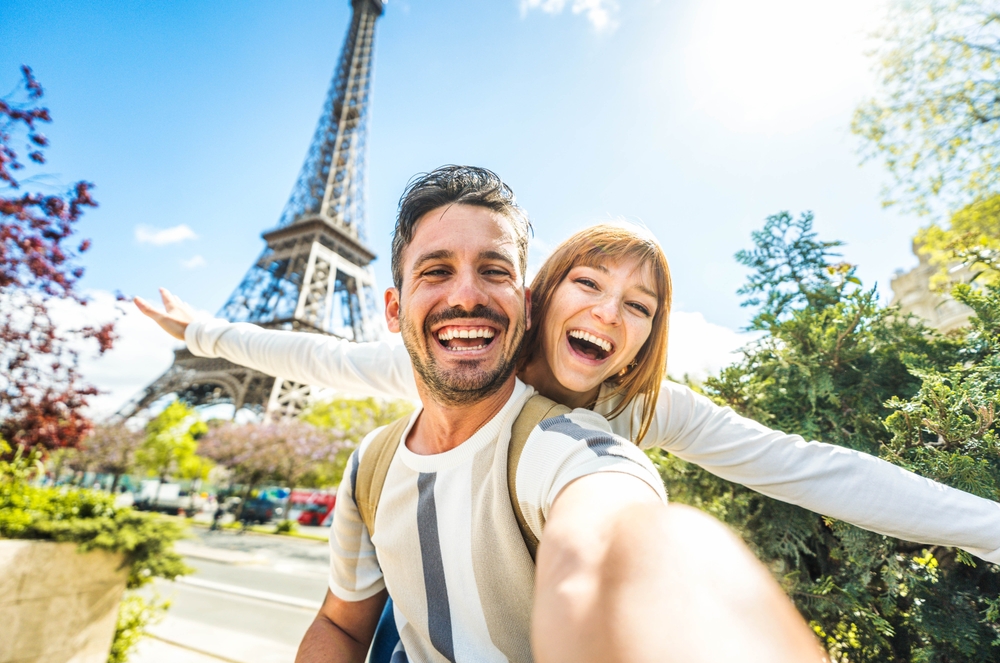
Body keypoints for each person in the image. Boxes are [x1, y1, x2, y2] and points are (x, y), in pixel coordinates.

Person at [139, 166, 830, 663]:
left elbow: (619, 534)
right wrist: (201, 333)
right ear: (391, 309)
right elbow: (341, 623)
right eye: (436, 270)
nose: (465, 295)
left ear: (526, 303)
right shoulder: (372, 465)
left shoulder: (573, 445)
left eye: (494, 270)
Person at [138, 205, 1000, 566]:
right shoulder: (459, 359)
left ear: (643, 340)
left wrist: (988, 528)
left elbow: (812, 467)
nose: (610, 312)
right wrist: (204, 333)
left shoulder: (641, 406)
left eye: (639, 305)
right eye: (588, 284)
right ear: (545, 294)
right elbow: (318, 358)